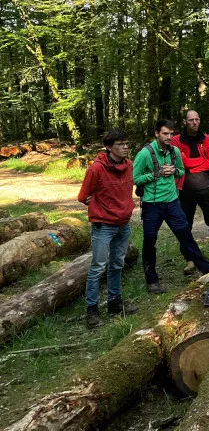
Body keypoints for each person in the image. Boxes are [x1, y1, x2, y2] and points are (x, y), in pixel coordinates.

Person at [133, 120, 209, 294]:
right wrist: (157, 173)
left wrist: (174, 172)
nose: (169, 137)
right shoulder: (145, 154)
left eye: (171, 134)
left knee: (186, 236)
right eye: (165, 134)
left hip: (172, 202)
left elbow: (181, 171)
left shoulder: (174, 151)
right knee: (149, 241)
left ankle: (207, 270)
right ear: (156, 133)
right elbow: (136, 179)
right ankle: (152, 280)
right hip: (152, 205)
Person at [77, 129, 138, 329]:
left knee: (117, 265)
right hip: (103, 226)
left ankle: (114, 302)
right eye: (120, 144)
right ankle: (92, 310)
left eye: (126, 143)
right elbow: (83, 196)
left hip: (123, 224)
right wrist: (99, 207)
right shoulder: (96, 169)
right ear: (109, 147)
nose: (125, 147)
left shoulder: (128, 165)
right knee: (98, 267)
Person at [173, 110, 209, 266]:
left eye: (197, 119)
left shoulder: (208, 139)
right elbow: (181, 164)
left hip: (207, 187)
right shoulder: (176, 140)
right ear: (185, 122)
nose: (194, 122)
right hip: (186, 189)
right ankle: (190, 258)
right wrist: (200, 163)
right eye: (191, 120)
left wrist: (191, 166)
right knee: (185, 224)